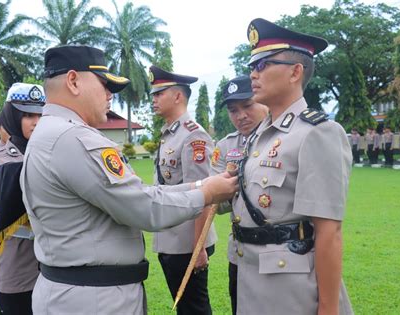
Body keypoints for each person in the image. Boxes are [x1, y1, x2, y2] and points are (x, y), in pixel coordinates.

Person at [20, 45, 238, 314]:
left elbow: (142, 191)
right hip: (95, 300)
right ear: (73, 81)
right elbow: (143, 206)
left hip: (77, 290)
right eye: (104, 84)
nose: (110, 94)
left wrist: (200, 185)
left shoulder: (48, 132)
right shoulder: (75, 139)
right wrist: (206, 194)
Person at [227, 18, 353, 314]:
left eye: (263, 65)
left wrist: (328, 308)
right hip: (251, 274)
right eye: (251, 67)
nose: (253, 74)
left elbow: (329, 231)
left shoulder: (317, 132)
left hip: (291, 287)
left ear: (295, 72)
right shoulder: (260, 134)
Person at [149, 65, 216, 315]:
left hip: (186, 242)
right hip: (171, 237)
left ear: (177, 96)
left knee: (194, 309)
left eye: (159, 94)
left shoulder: (192, 136)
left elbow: (204, 194)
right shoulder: (169, 133)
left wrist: (198, 248)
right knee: (185, 308)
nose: (153, 100)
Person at [0, 83, 45, 314]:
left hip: (57, 269)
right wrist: (9, 193)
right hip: (18, 271)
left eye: (40, 114)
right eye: (27, 115)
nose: (36, 122)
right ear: (12, 116)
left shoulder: (53, 154)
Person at [210, 75, 268, 315]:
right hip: (240, 252)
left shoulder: (284, 139)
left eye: (247, 106)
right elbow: (218, 205)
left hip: (277, 253)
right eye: (234, 110)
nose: (241, 115)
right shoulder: (225, 147)